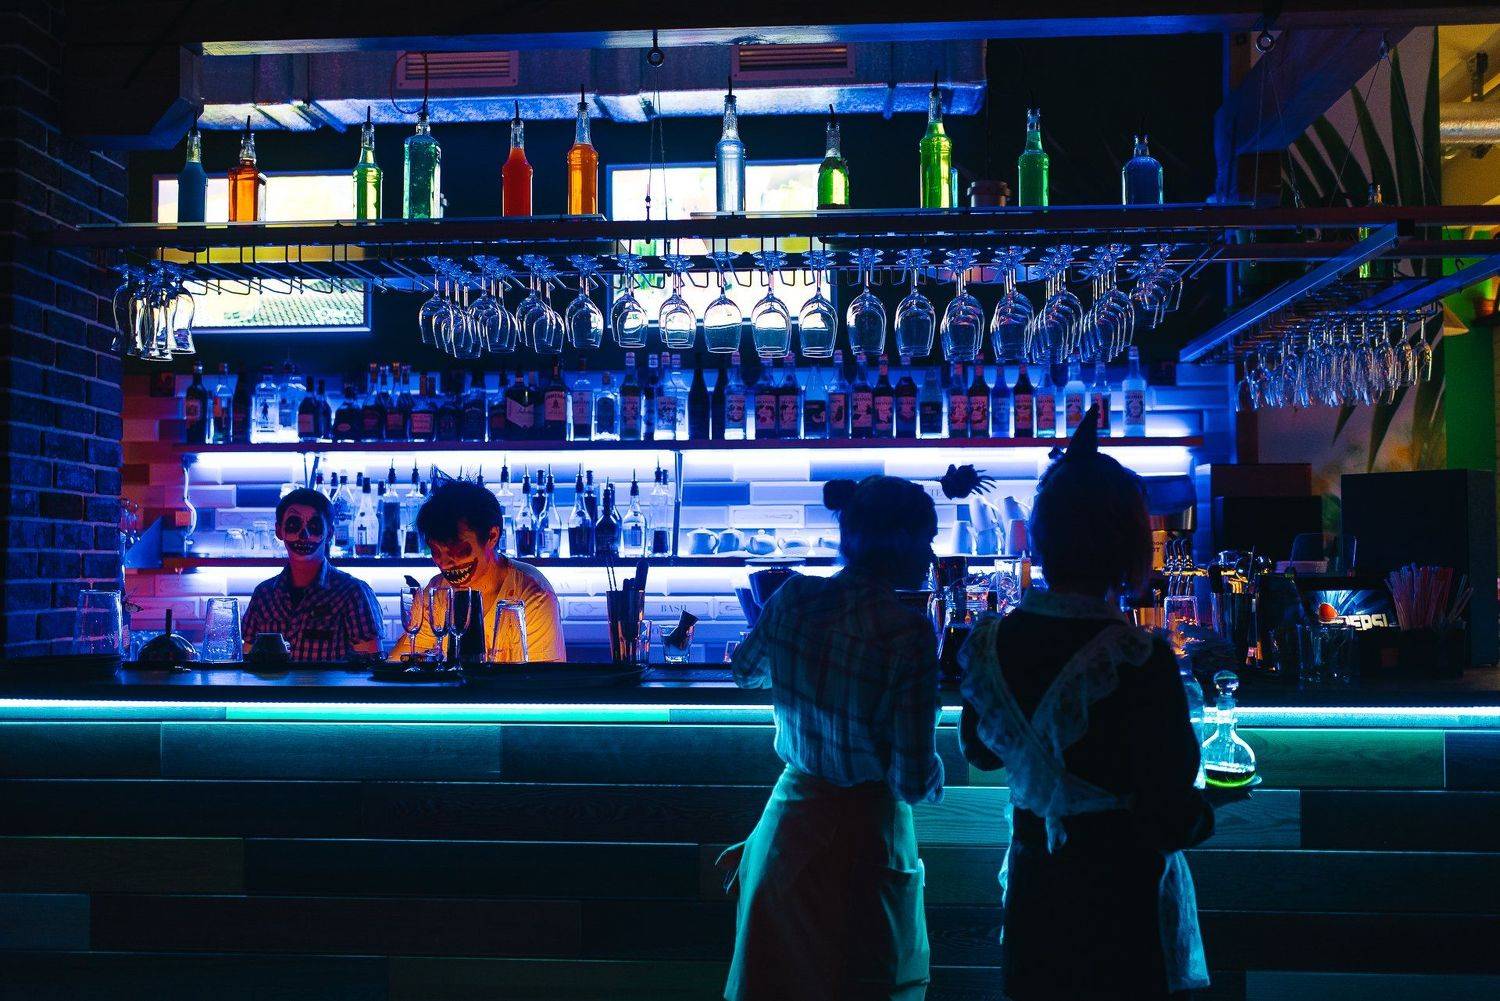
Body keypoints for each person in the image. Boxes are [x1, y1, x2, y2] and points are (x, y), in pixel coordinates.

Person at [958, 405, 1215, 1000]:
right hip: (1117, 900)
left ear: (1042, 535)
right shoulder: (1136, 656)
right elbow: (1169, 812)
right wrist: (1211, 809)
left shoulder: (989, 643)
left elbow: (982, 752)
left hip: (1035, 889)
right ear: (1128, 542)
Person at [722, 475, 944, 1001]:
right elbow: (912, 782)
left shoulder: (794, 597)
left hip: (790, 828)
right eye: (927, 540)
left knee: (778, 985)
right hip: (866, 843)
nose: (931, 555)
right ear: (903, 543)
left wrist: (800, 666)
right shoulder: (907, 632)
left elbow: (745, 672)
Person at [388, 479, 565, 663]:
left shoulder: (533, 595)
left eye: (458, 550)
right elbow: (399, 661)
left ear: (492, 536)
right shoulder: (438, 592)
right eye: (436, 551)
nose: (445, 564)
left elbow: (540, 677)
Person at [241, 487, 383, 660]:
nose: (304, 535)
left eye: (314, 526)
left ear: (329, 533)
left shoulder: (354, 593)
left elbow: (370, 666)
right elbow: (246, 660)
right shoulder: (264, 595)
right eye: (294, 525)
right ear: (279, 531)